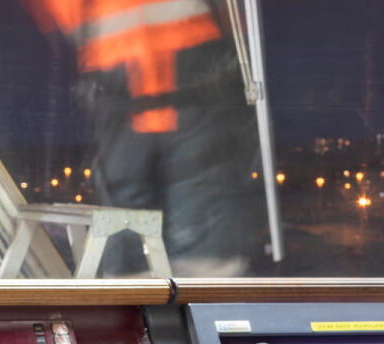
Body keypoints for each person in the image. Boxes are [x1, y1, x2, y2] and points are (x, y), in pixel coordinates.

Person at [23, 0, 261, 276]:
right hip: (165, 75)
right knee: (187, 219)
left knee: (167, 218)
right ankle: (184, 303)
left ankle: (174, 304)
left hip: (138, 76)